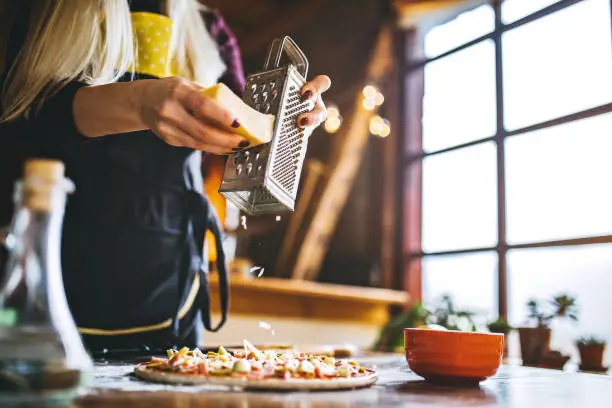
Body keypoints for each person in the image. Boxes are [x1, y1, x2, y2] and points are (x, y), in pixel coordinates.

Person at [0, 0, 331, 354]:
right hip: (48, 275)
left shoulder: (209, 30)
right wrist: (138, 102)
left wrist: (286, 124)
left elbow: (243, 132)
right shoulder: (36, 11)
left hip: (173, 286)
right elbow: (20, 126)